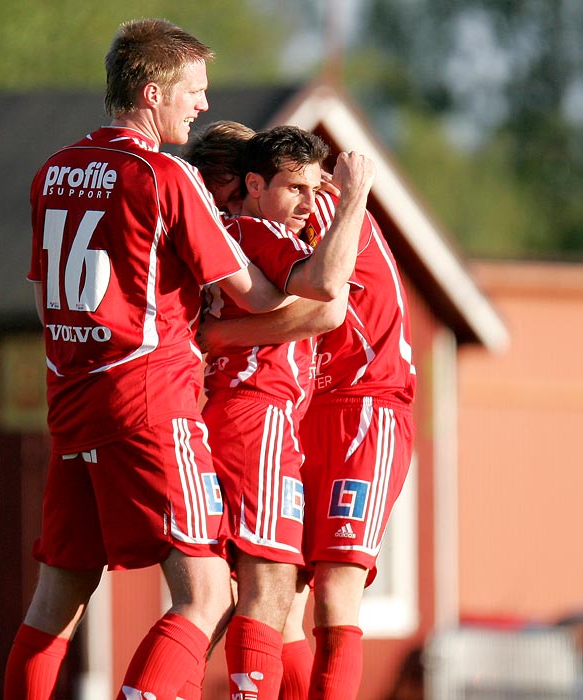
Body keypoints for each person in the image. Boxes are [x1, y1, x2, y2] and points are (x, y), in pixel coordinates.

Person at [3, 19, 300, 700]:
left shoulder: (53, 170)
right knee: (205, 594)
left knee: (56, 602)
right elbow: (250, 293)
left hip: (73, 403)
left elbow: (48, 303)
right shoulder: (166, 174)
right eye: (192, 91)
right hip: (148, 402)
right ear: (151, 91)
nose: (202, 106)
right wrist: (311, 264)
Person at [200, 161, 416, 700]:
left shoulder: (313, 209)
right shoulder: (254, 225)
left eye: (218, 195)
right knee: (284, 596)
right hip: (308, 410)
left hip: (367, 404)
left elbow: (328, 307)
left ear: (247, 183)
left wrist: (220, 336)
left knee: (335, 593)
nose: (217, 209)